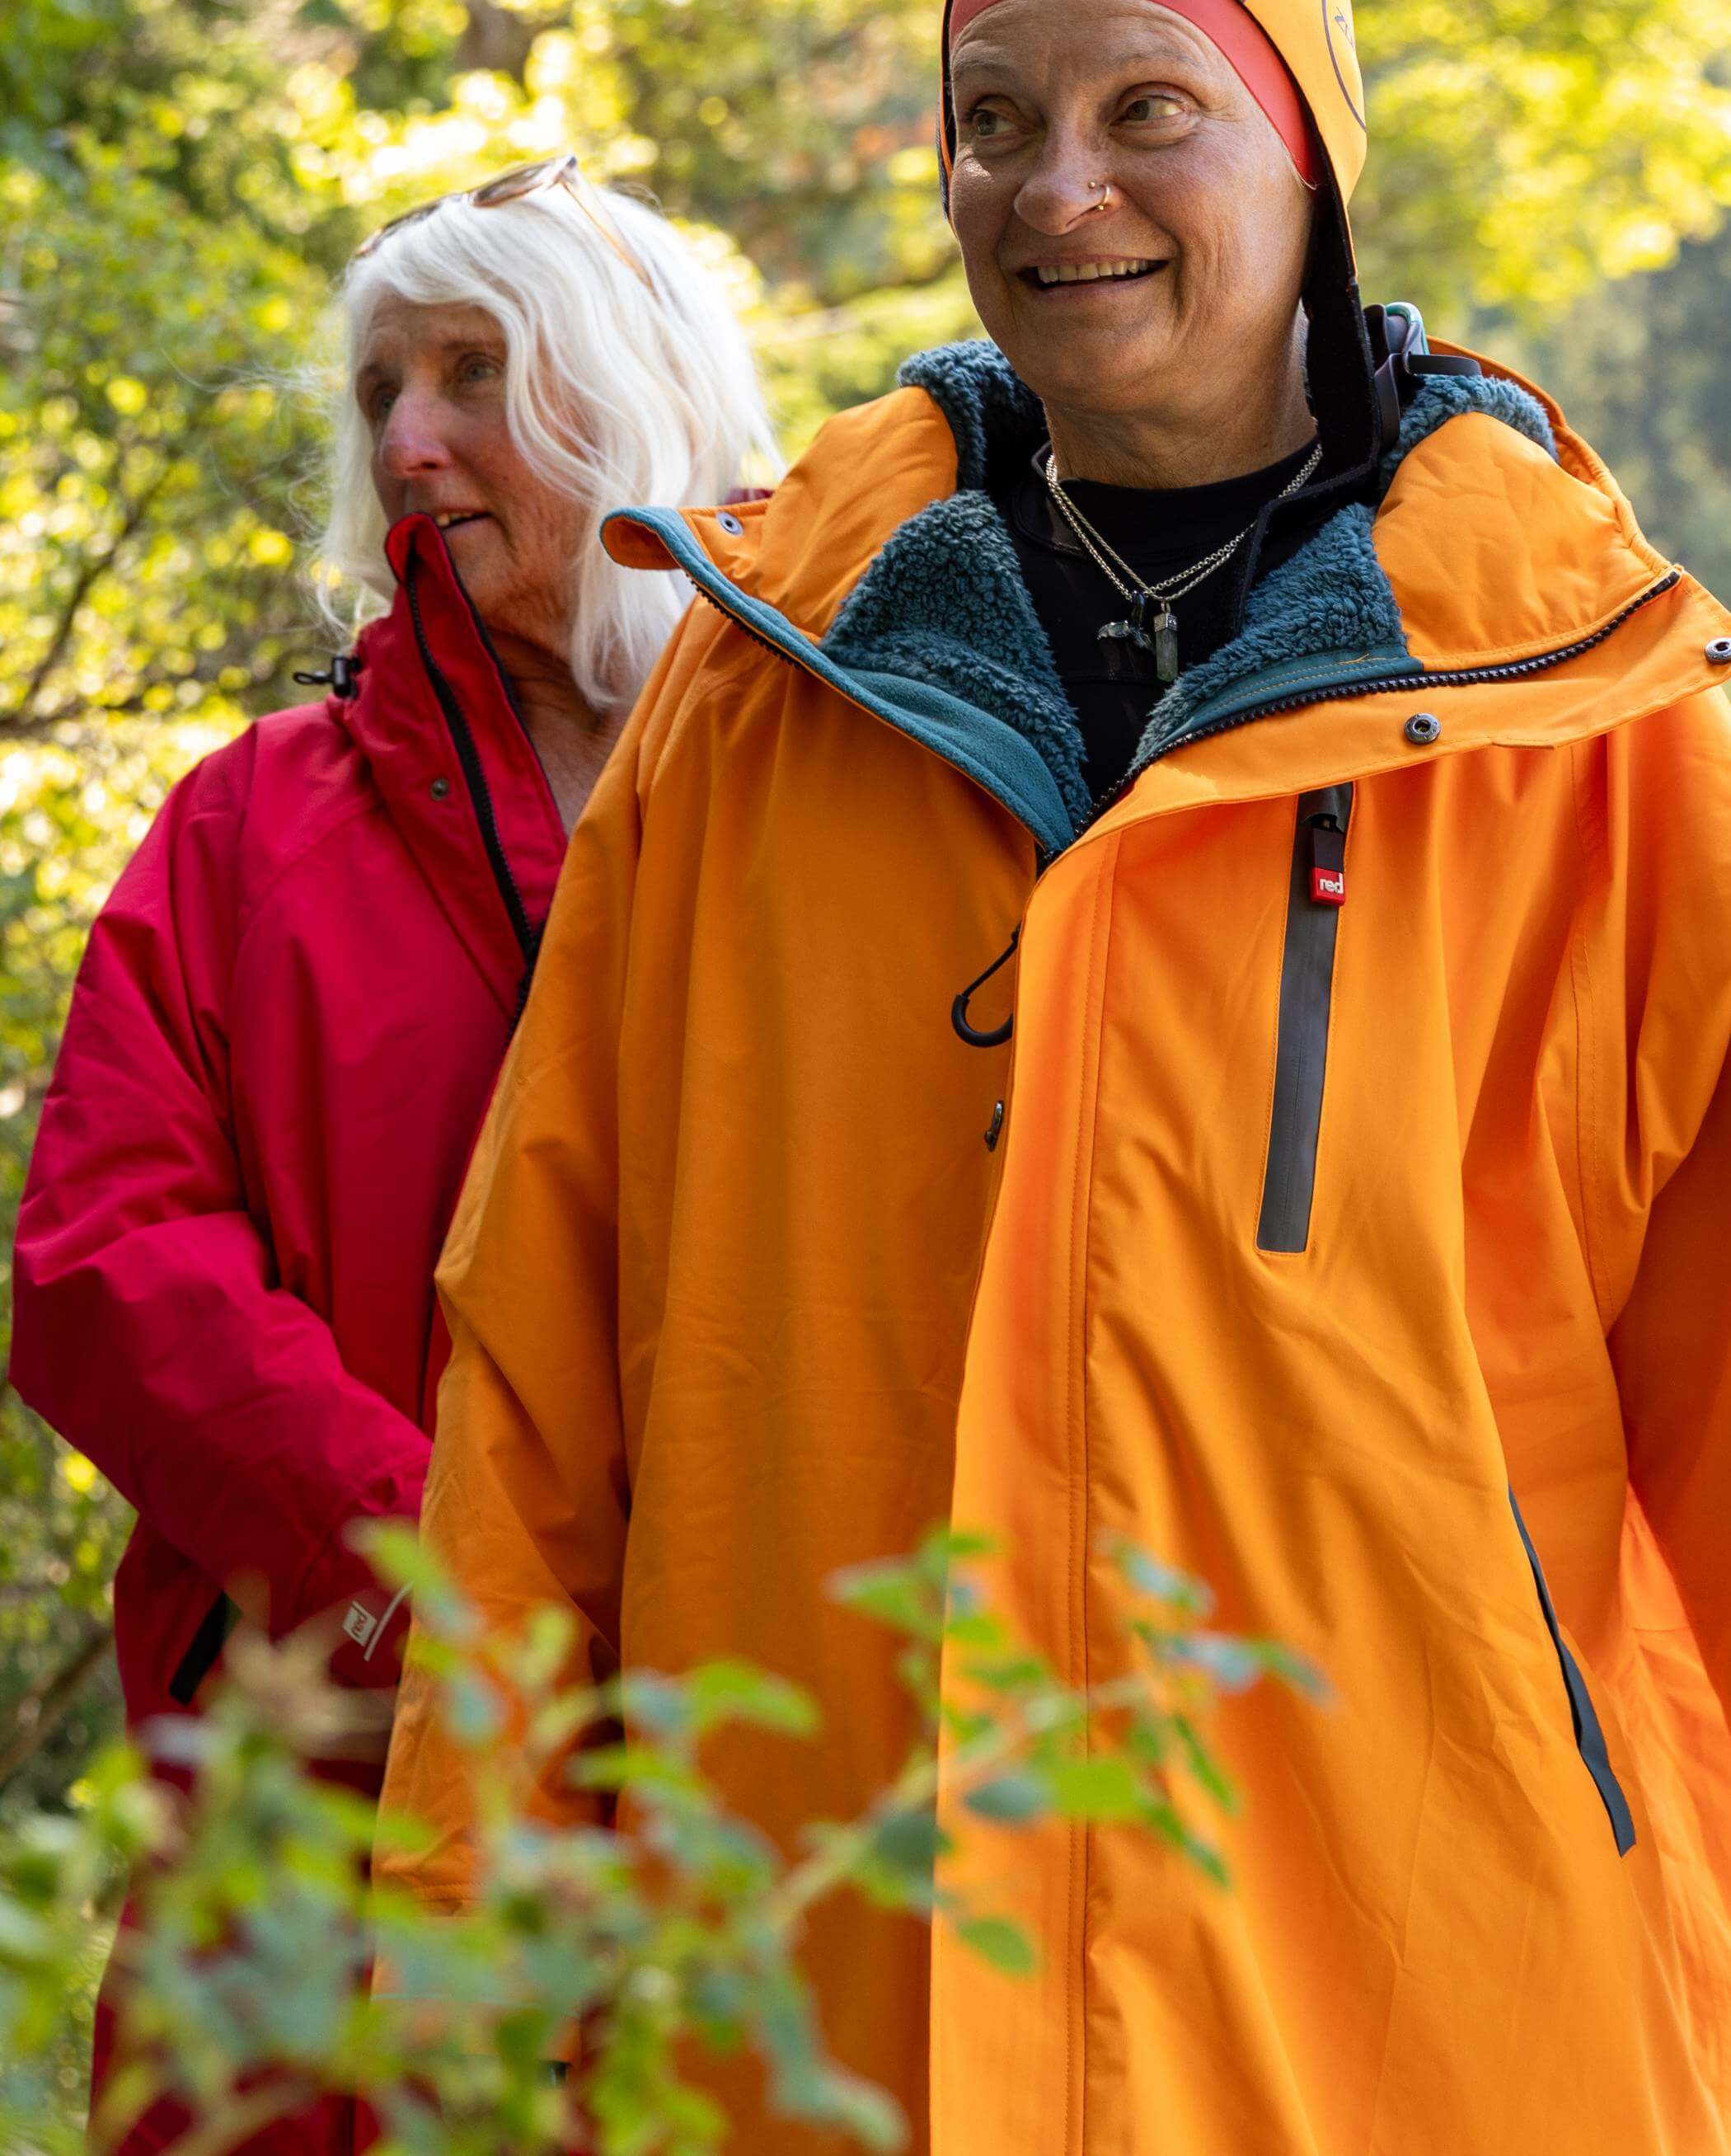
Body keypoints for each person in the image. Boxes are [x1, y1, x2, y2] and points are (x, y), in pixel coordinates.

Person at [378, 7, 1731, 2153]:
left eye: (1144, 111)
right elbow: (536, 1376)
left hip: (1434, 2018)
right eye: (990, 121)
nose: (1055, 187)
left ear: (1309, 153)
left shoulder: (1597, 720)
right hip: (808, 2006)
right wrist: (477, 1970)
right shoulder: (752, 692)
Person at [10, 154, 776, 2156]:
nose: (410, 439)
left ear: (636, 395)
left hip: (758, 1754)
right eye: (377, 394)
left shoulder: (838, 784)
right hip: (329, 1770)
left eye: (473, 372)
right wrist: (426, 1568)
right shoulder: (255, 824)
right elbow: (105, 1249)